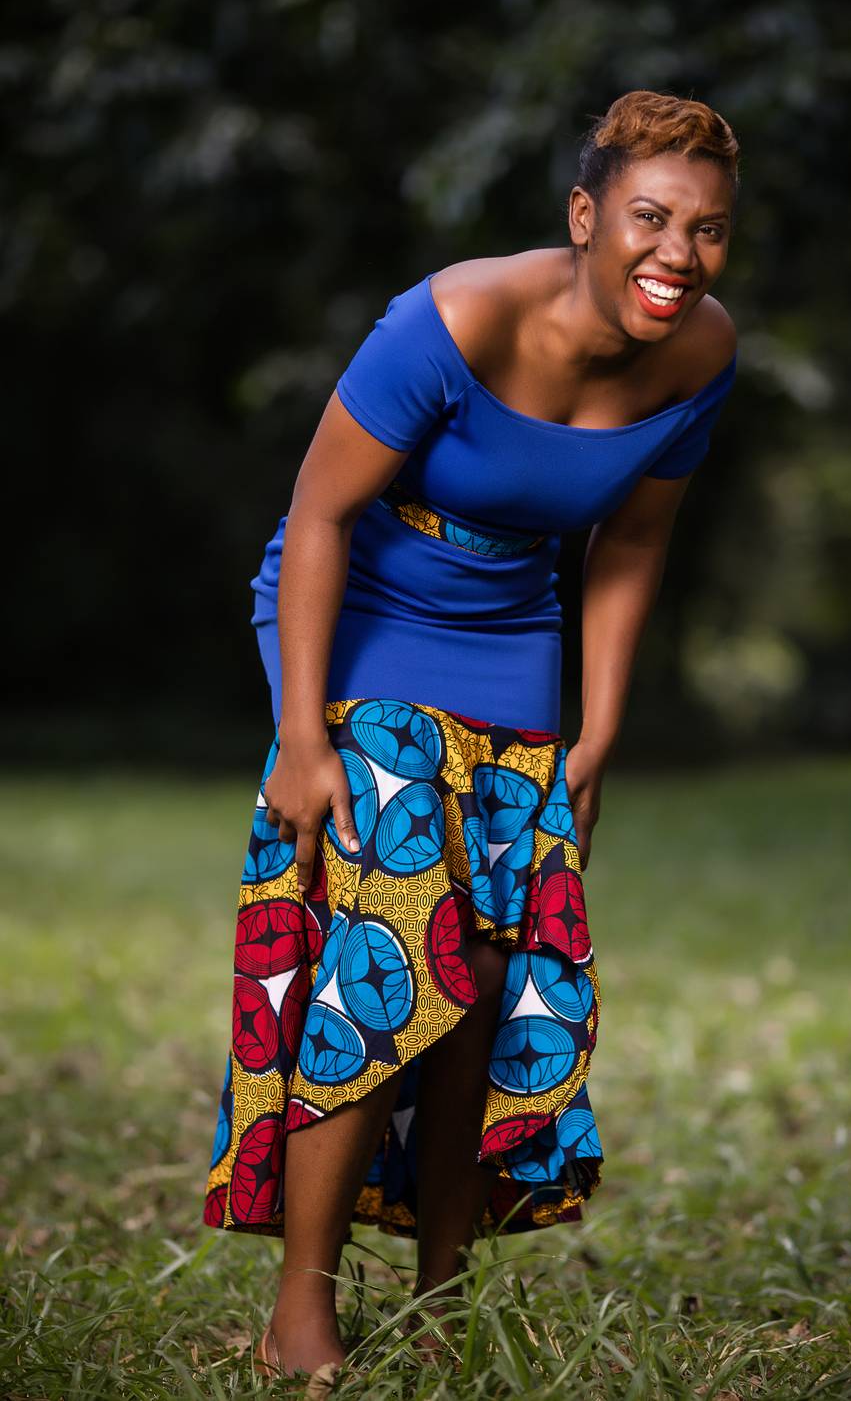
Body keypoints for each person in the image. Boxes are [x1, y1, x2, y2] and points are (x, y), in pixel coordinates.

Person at [202, 88, 739, 1388]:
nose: (677, 255)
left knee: (487, 978)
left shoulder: (701, 354)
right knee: (394, 940)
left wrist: (597, 735)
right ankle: (300, 1310)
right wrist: (301, 736)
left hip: (512, 642)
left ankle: (441, 1298)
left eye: (709, 230)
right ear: (585, 214)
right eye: (650, 218)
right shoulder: (452, 319)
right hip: (364, 615)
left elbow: (633, 541)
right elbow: (318, 517)